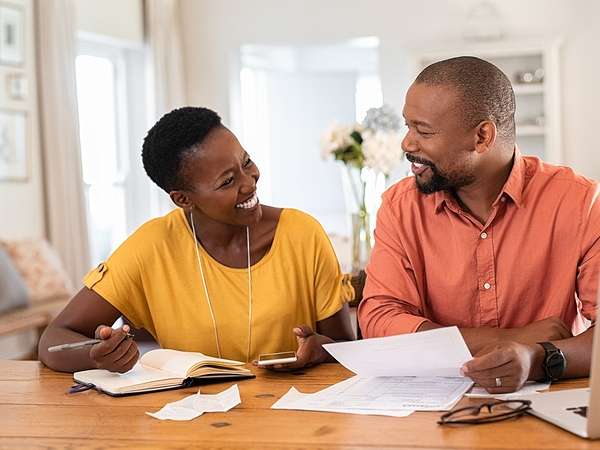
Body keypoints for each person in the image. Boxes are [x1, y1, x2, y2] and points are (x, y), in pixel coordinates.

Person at [39, 107, 354, 373]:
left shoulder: (302, 233)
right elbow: (53, 340)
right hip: (192, 422)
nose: (250, 182)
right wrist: (97, 356)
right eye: (227, 181)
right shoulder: (151, 246)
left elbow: (345, 349)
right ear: (182, 199)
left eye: (246, 162)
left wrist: (318, 350)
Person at [358, 56, 600, 393]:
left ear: (482, 136)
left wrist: (535, 358)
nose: (407, 144)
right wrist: (510, 339)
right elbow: (380, 319)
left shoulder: (579, 201)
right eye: (407, 126)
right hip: (427, 412)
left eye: (423, 131)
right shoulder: (400, 207)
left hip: (546, 405)